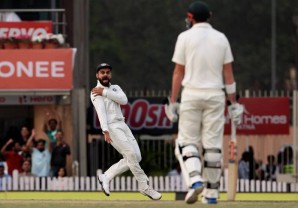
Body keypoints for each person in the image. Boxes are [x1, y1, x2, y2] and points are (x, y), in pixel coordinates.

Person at [164, 1, 243, 204]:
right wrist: (233, 103)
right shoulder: (221, 38)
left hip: (191, 94)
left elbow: (178, 72)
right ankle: (212, 194)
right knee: (212, 146)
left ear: (190, 17)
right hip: (216, 96)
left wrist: (173, 101)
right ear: (210, 15)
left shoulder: (184, 37)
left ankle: (195, 178)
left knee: (185, 142)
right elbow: (229, 75)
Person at [90, 63, 162, 200]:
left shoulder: (115, 88)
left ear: (110, 75)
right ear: (97, 75)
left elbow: (124, 100)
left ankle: (106, 176)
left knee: (136, 156)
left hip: (122, 124)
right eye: (102, 72)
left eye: (107, 72)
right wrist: (105, 130)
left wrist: (105, 92)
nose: (105, 75)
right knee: (130, 154)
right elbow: (101, 112)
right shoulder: (95, 91)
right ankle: (144, 186)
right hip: (111, 126)